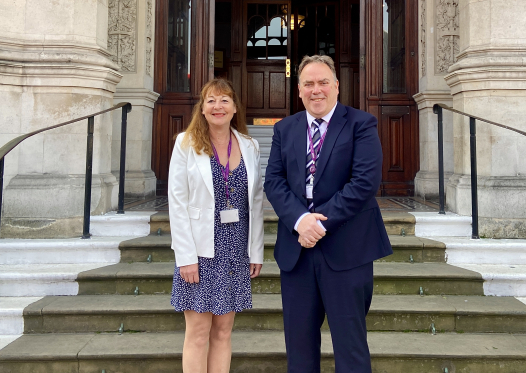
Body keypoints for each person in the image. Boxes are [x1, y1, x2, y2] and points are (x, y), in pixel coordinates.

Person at [264, 55, 392, 373]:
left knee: (350, 349)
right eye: (309, 83)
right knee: (300, 349)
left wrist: (318, 223)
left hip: (346, 249)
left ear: (337, 86)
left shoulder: (361, 124)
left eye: (323, 82)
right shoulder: (284, 129)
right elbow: (274, 181)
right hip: (297, 252)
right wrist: (299, 221)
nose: (316, 90)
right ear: (298, 90)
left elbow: (364, 183)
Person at [168, 78, 264, 373]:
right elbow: (177, 202)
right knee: (197, 334)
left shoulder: (250, 145)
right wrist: (185, 257)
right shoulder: (186, 143)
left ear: (235, 107)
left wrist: (256, 251)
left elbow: (256, 202)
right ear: (203, 107)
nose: (217, 106)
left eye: (224, 100)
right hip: (199, 252)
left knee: (223, 332)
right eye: (211, 100)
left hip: (236, 251)